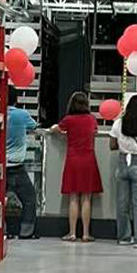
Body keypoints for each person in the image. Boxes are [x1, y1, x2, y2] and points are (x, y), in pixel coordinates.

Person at [50, 91, 103, 242]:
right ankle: (85, 233)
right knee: (87, 197)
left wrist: (56, 129)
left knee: (73, 197)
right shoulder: (91, 119)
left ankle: (72, 233)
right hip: (89, 159)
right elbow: (95, 131)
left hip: (73, 159)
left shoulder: (68, 120)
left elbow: (55, 129)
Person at [109, 94, 137, 248]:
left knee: (122, 204)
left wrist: (124, 145)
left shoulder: (118, 123)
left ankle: (124, 237)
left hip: (122, 163)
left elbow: (112, 145)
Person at [5, 87, 38, 239]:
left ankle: (3, 230)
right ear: (15, 99)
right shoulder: (22, 114)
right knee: (29, 199)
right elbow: (34, 126)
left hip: (0, 167)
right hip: (17, 166)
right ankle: (26, 231)